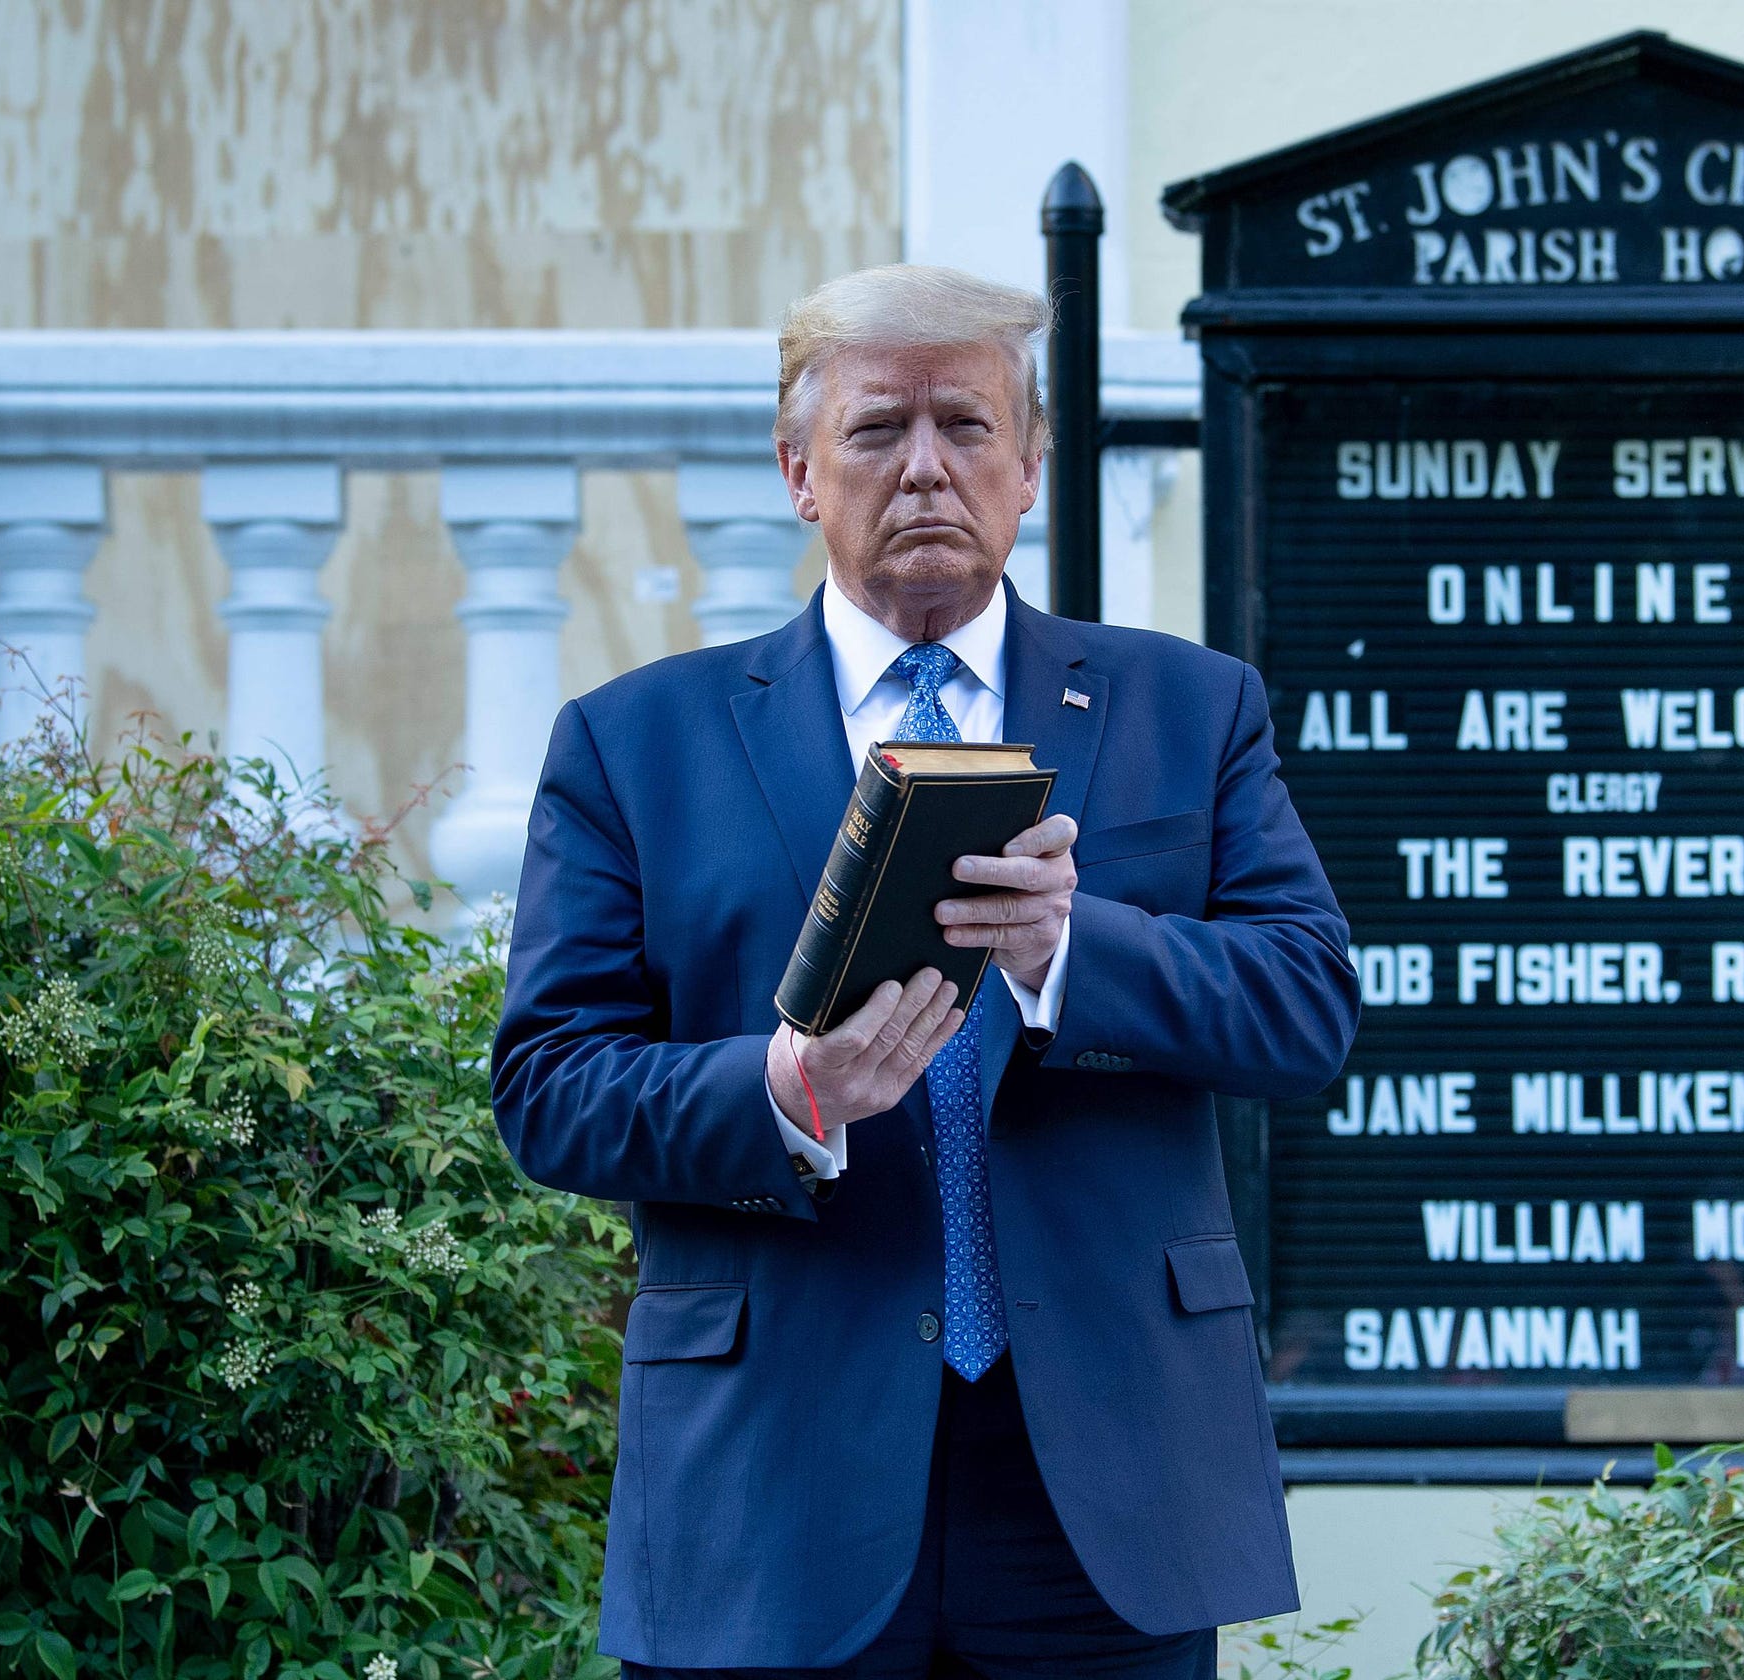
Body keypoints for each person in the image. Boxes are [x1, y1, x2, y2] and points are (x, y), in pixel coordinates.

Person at [490, 264, 1358, 1676]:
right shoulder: (633, 743)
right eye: (876, 431)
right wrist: (782, 1088)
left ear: (1031, 469)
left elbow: (1306, 1006)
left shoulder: (1189, 709)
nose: (925, 469)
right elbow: (547, 1088)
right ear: (796, 472)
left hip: (1103, 1483)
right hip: (774, 1481)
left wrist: (1073, 951)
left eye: (964, 425)